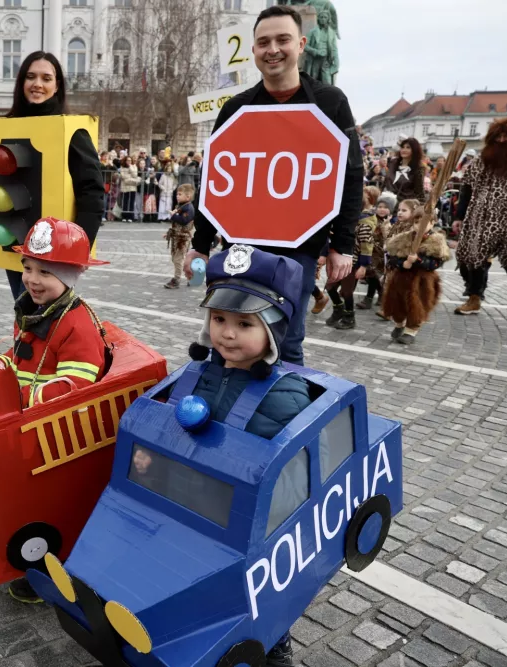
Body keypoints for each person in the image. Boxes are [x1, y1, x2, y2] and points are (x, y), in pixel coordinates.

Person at [183, 4, 363, 366]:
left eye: (283, 40)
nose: (273, 49)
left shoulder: (330, 102)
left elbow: (351, 175)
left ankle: (285, 401)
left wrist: (343, 245)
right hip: (240, 247)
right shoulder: (236, 108)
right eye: (264, 42)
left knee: (286, 342)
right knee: (228, 339)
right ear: (253, 49)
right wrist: (199, 245)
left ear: (301, 44)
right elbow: (214, 180)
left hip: (298, 250)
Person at [0, 218, 107, 603]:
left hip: (55, 434)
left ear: (70, 276)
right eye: (27, 268)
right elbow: (22, 359)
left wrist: (21, 398)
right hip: (28, 423)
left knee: (46, 506)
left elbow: (76, 387)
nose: (32, 279)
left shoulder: (76, 323)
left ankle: (52, 570)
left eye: (46, 272)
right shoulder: (35, 309)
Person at [186, 244, 311, 667]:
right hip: (200, 503)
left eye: (244, 323)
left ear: (273, 331)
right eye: (219, 319)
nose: (227, 333)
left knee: (259, 586)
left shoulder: (285, 394)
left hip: (251, 519)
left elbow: (290, 469)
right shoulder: (198, 375)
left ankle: (275, 640)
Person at [0, 51, 104, 298]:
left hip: (54, 250)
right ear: (21, 82)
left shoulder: (71, 131)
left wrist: (79, 249)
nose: (37, 84)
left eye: (46, 78)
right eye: (31, 77)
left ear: (57, 86)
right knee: (24, 310)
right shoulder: (4, 129)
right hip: (14, 242)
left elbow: (91, 192)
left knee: (39, 315)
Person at [451, 118, 507, 315]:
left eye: (506, 136)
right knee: (473, 257)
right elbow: (466, 190)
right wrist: (459, 217)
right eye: (498, 136)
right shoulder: (480, 162)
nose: (501, 140)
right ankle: (474, 298)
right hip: (480, 217)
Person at [381, 200, 449, 344]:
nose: (420, 226)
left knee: (418, 305)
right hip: (402, 278)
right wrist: (403, 263)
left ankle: (410, 331)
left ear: (432, 223)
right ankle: (399, 324)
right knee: (397, 303)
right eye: (417, 222)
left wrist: (419, 260)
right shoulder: (403, 238)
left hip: (422, 280)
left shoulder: (436, 241)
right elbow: (392, 258)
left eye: (424, 223)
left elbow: (436, 263)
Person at [323, 186, 379, 330]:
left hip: (353, 262)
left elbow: (367, 246)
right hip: (341, 258)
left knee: (347, 291)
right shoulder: (347, 221)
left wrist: (363, 266)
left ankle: (349, 317)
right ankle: (338, 309)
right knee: (330, 287)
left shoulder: (364, 223)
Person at [163, 184, 196, 289]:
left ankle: (176, 280)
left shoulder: (189, 208)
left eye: (180, 194)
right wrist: (169, 232)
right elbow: (177, 224)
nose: (177, 196)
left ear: (188, 197)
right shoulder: (181, 206)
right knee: (177, 258)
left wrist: (173, 215)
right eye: (177, 194)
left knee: (178, 259)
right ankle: (191, 276)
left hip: (183, 238)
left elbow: (183, 220)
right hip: (177, 236)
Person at [384, 138, 425, 203]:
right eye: (402, 147)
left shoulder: (418, 168)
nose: (404, 150)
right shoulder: (393, 163)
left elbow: (419, 192)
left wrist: (422, 206)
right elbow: (385, 182)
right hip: (387, 202)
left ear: (414, 150)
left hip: (404, 204)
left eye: (408, 147)